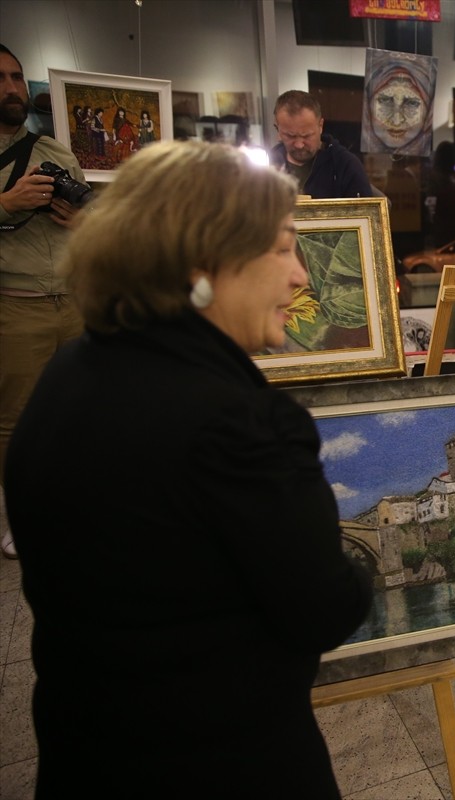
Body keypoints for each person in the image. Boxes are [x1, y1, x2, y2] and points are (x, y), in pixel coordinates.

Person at [5, 140, 373, 797]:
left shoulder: (69, 373)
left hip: (85, 755)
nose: (302, 277)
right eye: (284, 246)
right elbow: (327, 610)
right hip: (220, 763)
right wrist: (364, 565)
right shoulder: (240, 425)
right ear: (208, 260)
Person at [0, 43, 89, 559]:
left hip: (71, 301)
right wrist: (6, 204)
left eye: (17, 77)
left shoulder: (54, 151)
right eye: (2, 79)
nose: (13, 88)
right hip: (14, 304)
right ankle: (22, 515)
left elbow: (83, 216)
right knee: (15, 418)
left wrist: (83, 221)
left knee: (77, 411)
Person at [269, 89, 373, 199]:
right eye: (290, 136)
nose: (299, 145)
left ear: (320, 125)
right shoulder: (265, 166)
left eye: (306, 136)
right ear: (277, 129)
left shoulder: (346, 165)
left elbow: (367, 215)